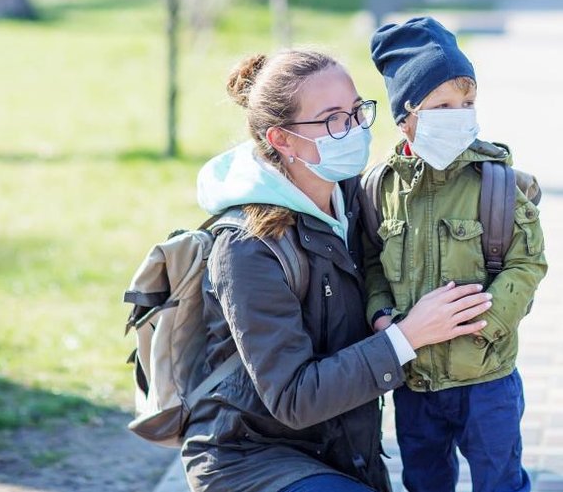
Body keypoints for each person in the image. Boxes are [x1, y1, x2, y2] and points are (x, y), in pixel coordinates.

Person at [182, 48, 494, 492]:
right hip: (254, 461)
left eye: (355, 112)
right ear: (282, 140)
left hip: (341, 451)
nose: (353, 130)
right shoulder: (248, 249)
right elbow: (294, 396)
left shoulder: (354, 197)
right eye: (333, 120)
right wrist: (405, 337)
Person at [365, 17, 548, 492]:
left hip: (485, 377)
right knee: (424, 481)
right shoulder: (380, 189)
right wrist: (381, 314)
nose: (459, 114)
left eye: (466, 103)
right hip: (416, 381)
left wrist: (489, 324)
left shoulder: (496, 182)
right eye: (443, 105)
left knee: (501, 482)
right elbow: (370, 262)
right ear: (405, 117)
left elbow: (527, 262)